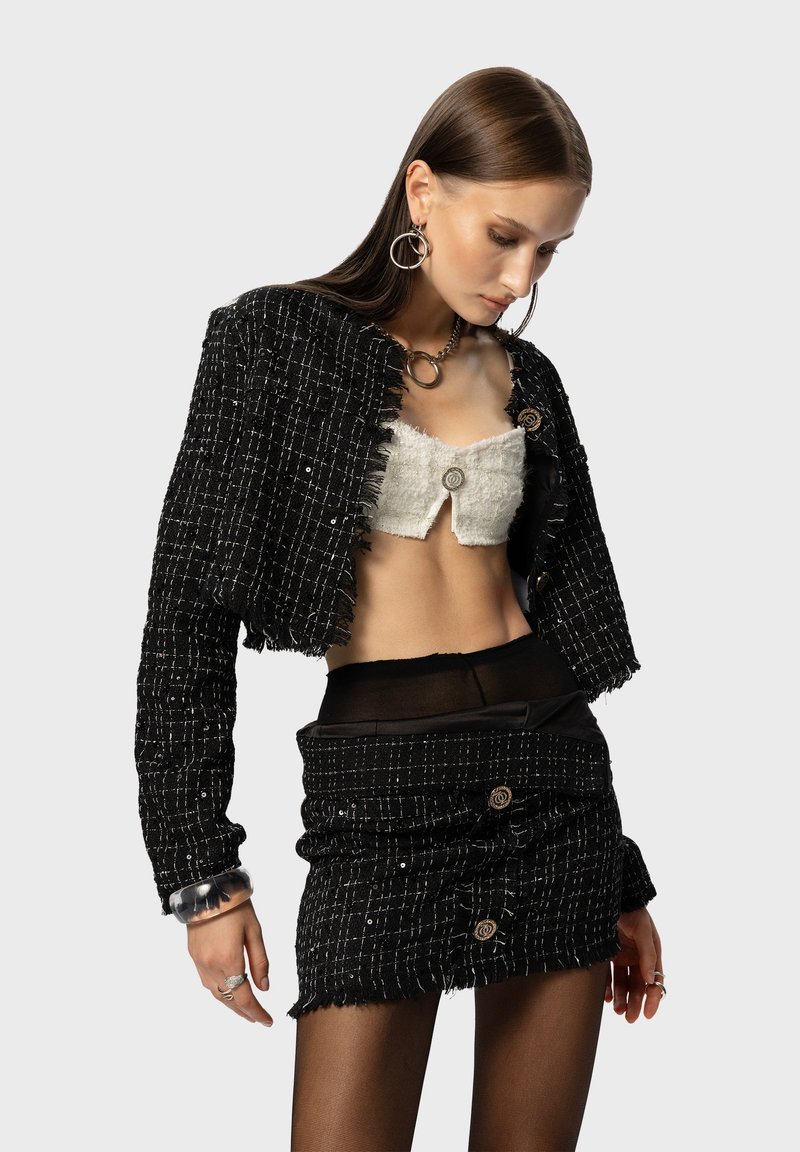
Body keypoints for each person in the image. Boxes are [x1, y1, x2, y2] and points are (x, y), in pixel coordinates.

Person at [135, 66, 666, 1150]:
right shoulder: (272, 343)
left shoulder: (529, 381)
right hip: (376, 807)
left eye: (549, 251)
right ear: (422, 191)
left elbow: (561, 634)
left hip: (554, 797)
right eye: (504, 236)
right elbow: (186, 617)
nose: (520, 278)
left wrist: (620, 876)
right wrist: (201, 876)